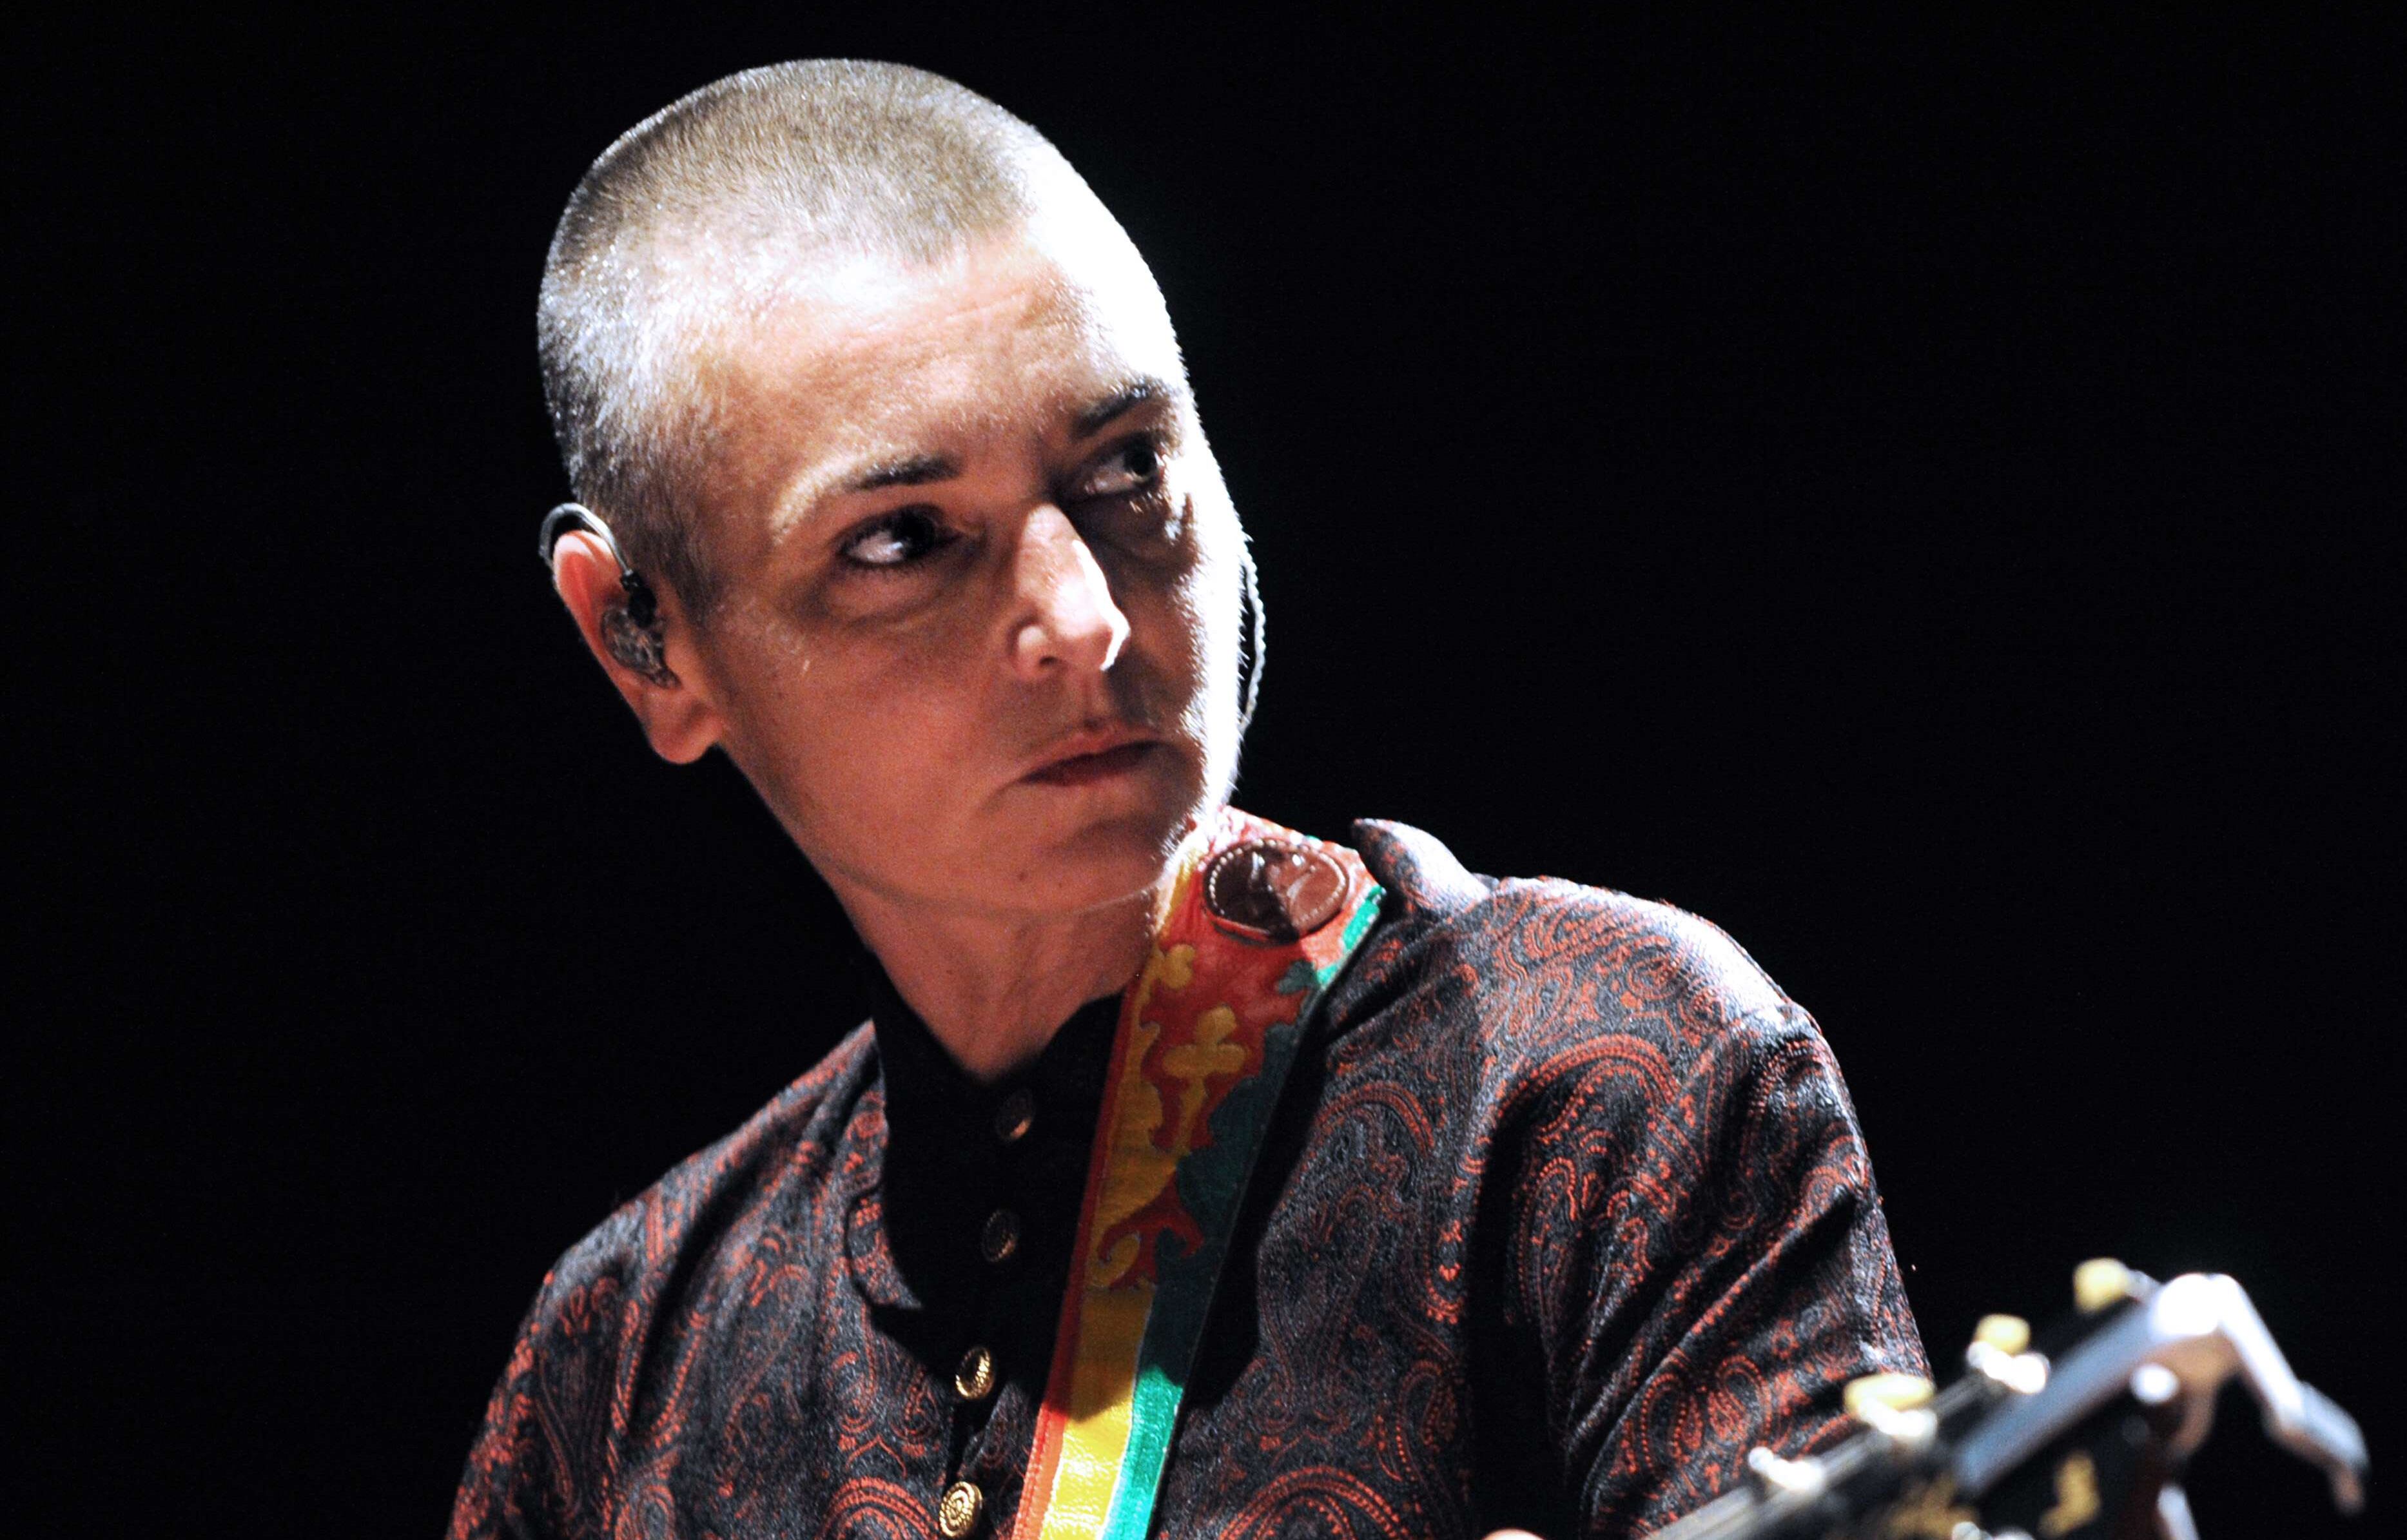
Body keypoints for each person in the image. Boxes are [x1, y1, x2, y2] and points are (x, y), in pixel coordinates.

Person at [451, 60, 1927, 1540]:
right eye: (905, 539)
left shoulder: (1594, 1086)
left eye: (1127, 466)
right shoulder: (617, 1362)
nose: (1084, 618)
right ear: (643, 641)